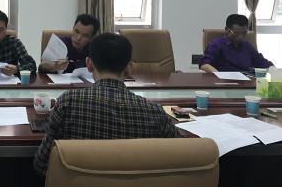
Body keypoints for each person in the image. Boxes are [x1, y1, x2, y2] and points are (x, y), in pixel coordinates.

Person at [33, 33, 185, 177]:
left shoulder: (67, 103)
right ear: (129, 68)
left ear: (89, 64)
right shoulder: (154, 112)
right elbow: (186, 154)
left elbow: (42, 165)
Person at [200, 14, 274, 73]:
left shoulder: (247, 46)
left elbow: (261, 62)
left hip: (246, 81)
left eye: (244, 33)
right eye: (236, 33)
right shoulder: (216, 44)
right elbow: (204, 64)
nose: (240, 37)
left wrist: (274, 70)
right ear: (227, 30)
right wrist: (218, 75)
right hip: (223, 80)